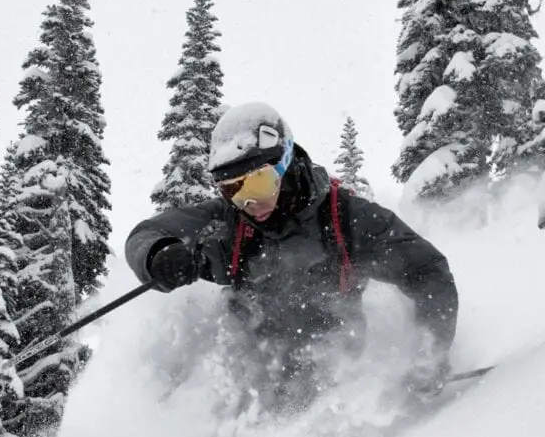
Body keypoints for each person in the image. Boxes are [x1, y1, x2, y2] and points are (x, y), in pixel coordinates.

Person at [126, 101, 459, 412]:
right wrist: (160, 255)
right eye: (231, 189)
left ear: (285, 163)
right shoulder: (229, 223)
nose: (247, 201)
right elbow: (145, 235)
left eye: (257, 184)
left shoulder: (347, 219)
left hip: (332, 375)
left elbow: (427, 271)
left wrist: (428, 356)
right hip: (249, 385)